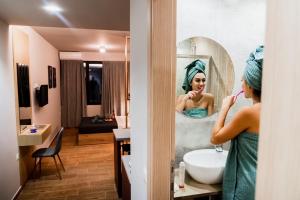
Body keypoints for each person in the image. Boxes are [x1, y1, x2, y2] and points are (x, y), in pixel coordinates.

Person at [210, 45, 264, 200]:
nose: (241, 82)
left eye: (244, 79)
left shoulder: (248, 113)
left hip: (247, 184)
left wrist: (224, 107)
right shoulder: (275, 111)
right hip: (264, 183)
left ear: (251, 84)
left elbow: (215, 138)